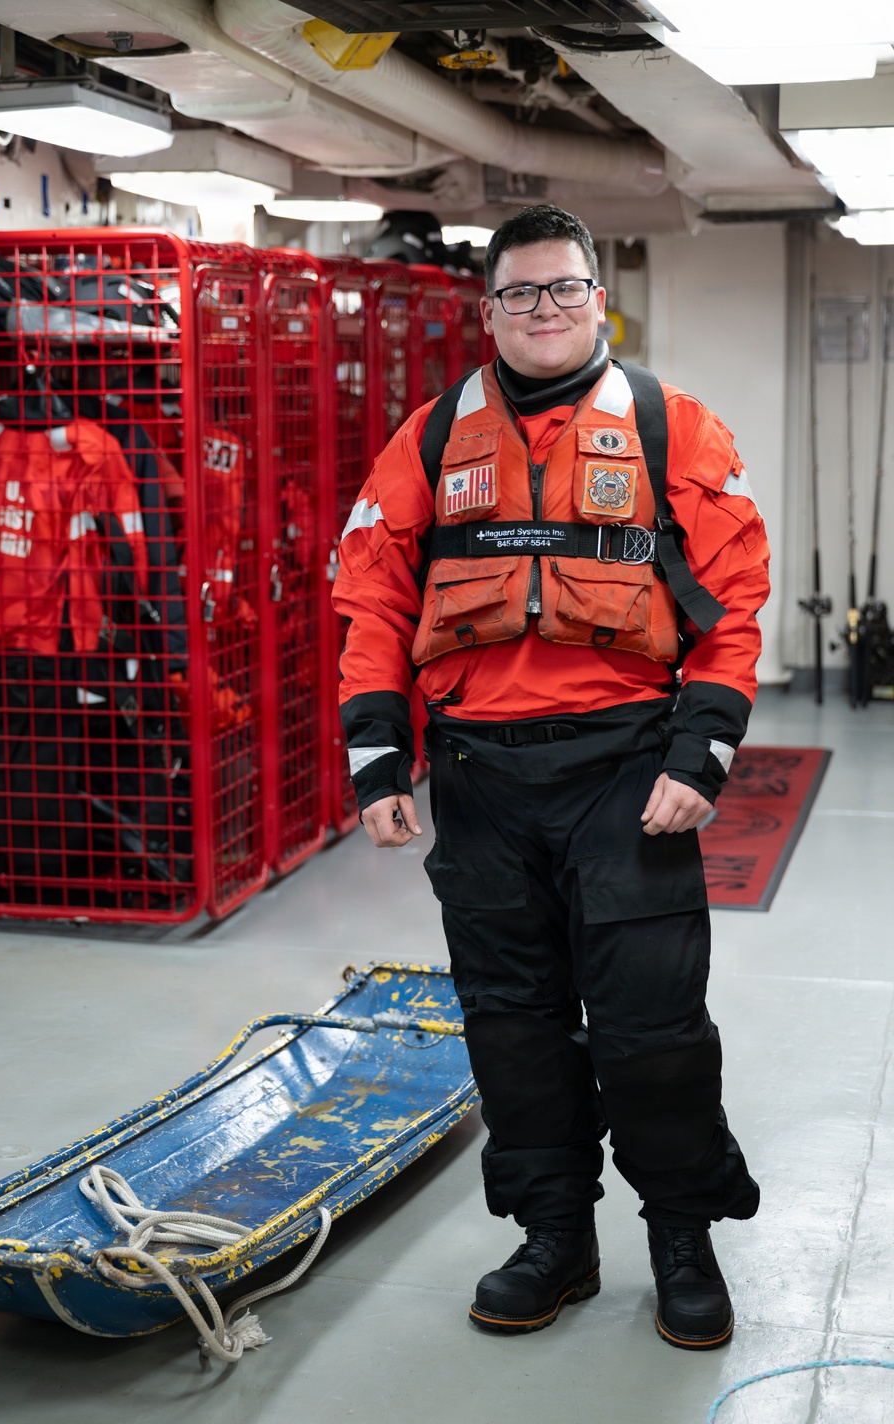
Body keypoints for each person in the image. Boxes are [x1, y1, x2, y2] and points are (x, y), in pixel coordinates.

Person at [332, 205, 770, 1351]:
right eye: (519, 293)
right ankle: (553, 1239)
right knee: (512, 1027)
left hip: (630, 780)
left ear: (597, 298)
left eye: (563, 289)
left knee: (651, 1030)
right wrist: (378, 759)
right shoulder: (426, 441)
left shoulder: (676, 430)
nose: (543, 311)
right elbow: (372, 602)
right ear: (488, 311)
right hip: (480, 781)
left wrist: (701, 757)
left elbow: (731, 613)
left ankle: (681, 1237)